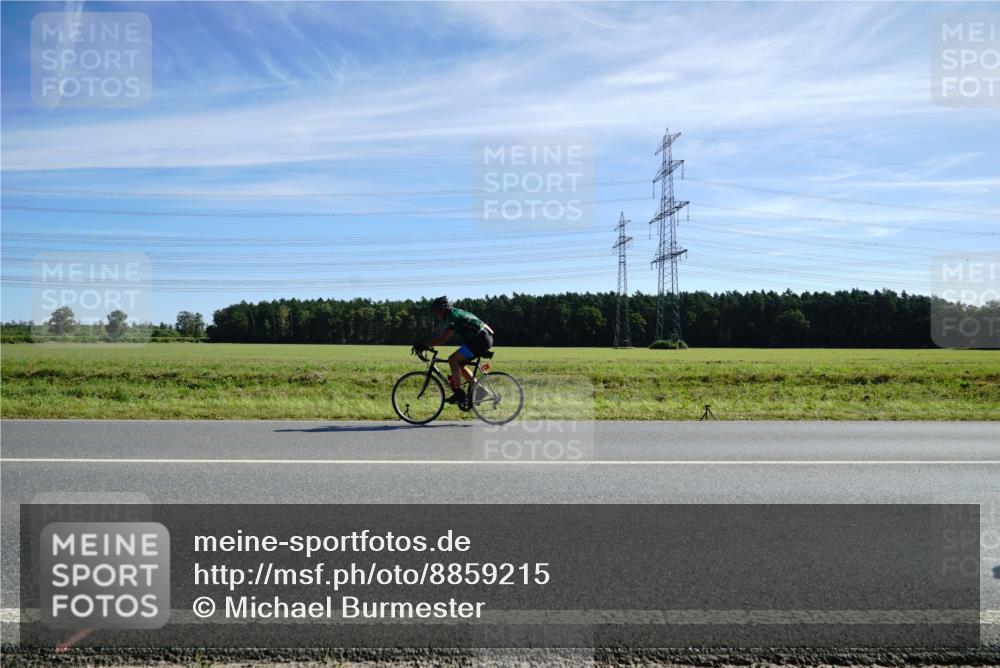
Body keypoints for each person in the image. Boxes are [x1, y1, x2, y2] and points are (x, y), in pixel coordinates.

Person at [419, 296, 493, 404]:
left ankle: (459, 393)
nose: (436, 315)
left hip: (480, 340)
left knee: (453, 359)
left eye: (436, 311)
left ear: (443, 308)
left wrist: (423, 345)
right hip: (481, 339)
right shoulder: (454, 313)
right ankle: (480, 390)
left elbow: (443, 339)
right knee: (459, 365)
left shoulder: (453, 316)